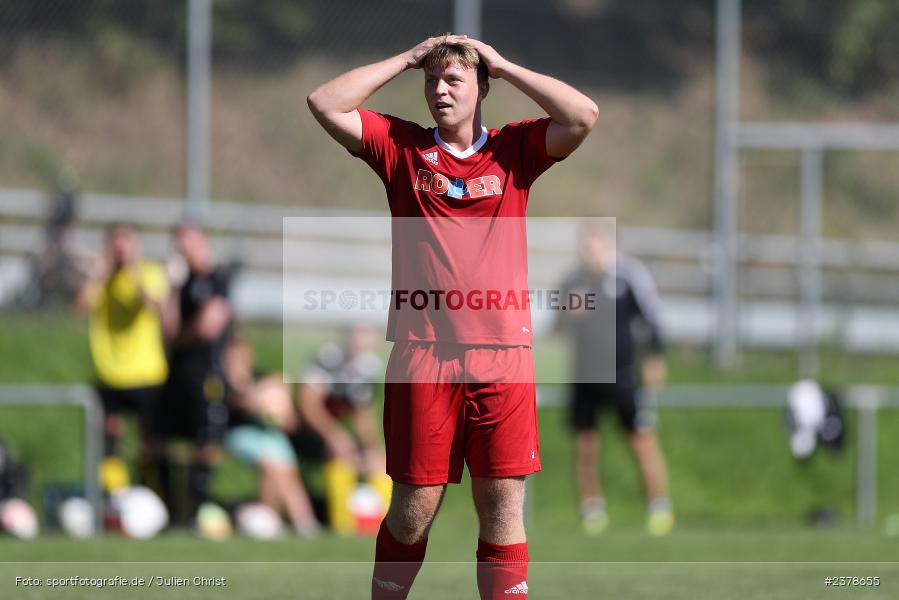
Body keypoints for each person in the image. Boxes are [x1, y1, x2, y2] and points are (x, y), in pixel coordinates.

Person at [308, 35, 598, 599]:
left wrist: (506, 65)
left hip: (503, 354)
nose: (439, 90)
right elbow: (325, 103)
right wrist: (407, 58)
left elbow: (583, 115)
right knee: (414, 511)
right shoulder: (402, 147)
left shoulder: (514, 151)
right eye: (431, 81)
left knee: (501, 505)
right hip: (424, 354)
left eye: (454, 81)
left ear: (481, 89)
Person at [557, 224, 674, 536]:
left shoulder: (628, 277)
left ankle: (658, 507)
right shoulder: (573, 281)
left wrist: (655, 358)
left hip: (622, 376)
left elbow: (652, 317)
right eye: (586, 247)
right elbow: (557, 325)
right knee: (586, 445)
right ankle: (592, 510)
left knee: (641, 440)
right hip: (584, 377)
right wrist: (568, 314)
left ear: (609, 248)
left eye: (597, 246)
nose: (591, 253)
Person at [75, 224, 170, 493]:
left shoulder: (147, 272)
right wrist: (100, 274)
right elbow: (81, 307)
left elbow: (152, 305)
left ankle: (156, 496)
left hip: (146, 373)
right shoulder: (101, 279)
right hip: (109, 373)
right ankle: (114, 498)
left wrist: (131, 273)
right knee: (110, 440)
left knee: (150, 442)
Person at [154, 223, 233, 528]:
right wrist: (171, 288)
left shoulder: (217, 279)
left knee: (206, 445)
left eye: (187, 242)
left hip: (206, 375)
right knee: (157, 442)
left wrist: (180, 338)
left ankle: (194, 513)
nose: (182, 249)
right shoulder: (180, 284)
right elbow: (168, 332)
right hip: (176, 374)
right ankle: (170, 513)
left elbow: (207, 327)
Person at [291, 323, 390, 535]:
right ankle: (342, 526)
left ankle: (385, 528)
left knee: (379, 461)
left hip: (333, 433)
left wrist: (371, 446)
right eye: (360, 335)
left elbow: (362, 414)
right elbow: (308, 405)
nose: (364, 341)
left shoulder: (367, 367)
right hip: (304, 432)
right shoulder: (327, 361)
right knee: (341, 453)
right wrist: (334, 435)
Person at [222, 337, 321, 537]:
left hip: (269, 434)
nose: (239, 360)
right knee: (271, 465)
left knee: (288, 472)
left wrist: (277, 407)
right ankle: (267, 519)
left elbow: (290, 421)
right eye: (233, 357)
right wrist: (265, 392)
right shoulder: (223, 381)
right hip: (240, 433)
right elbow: (244, 402)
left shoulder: (261, 376)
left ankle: (306, 525)